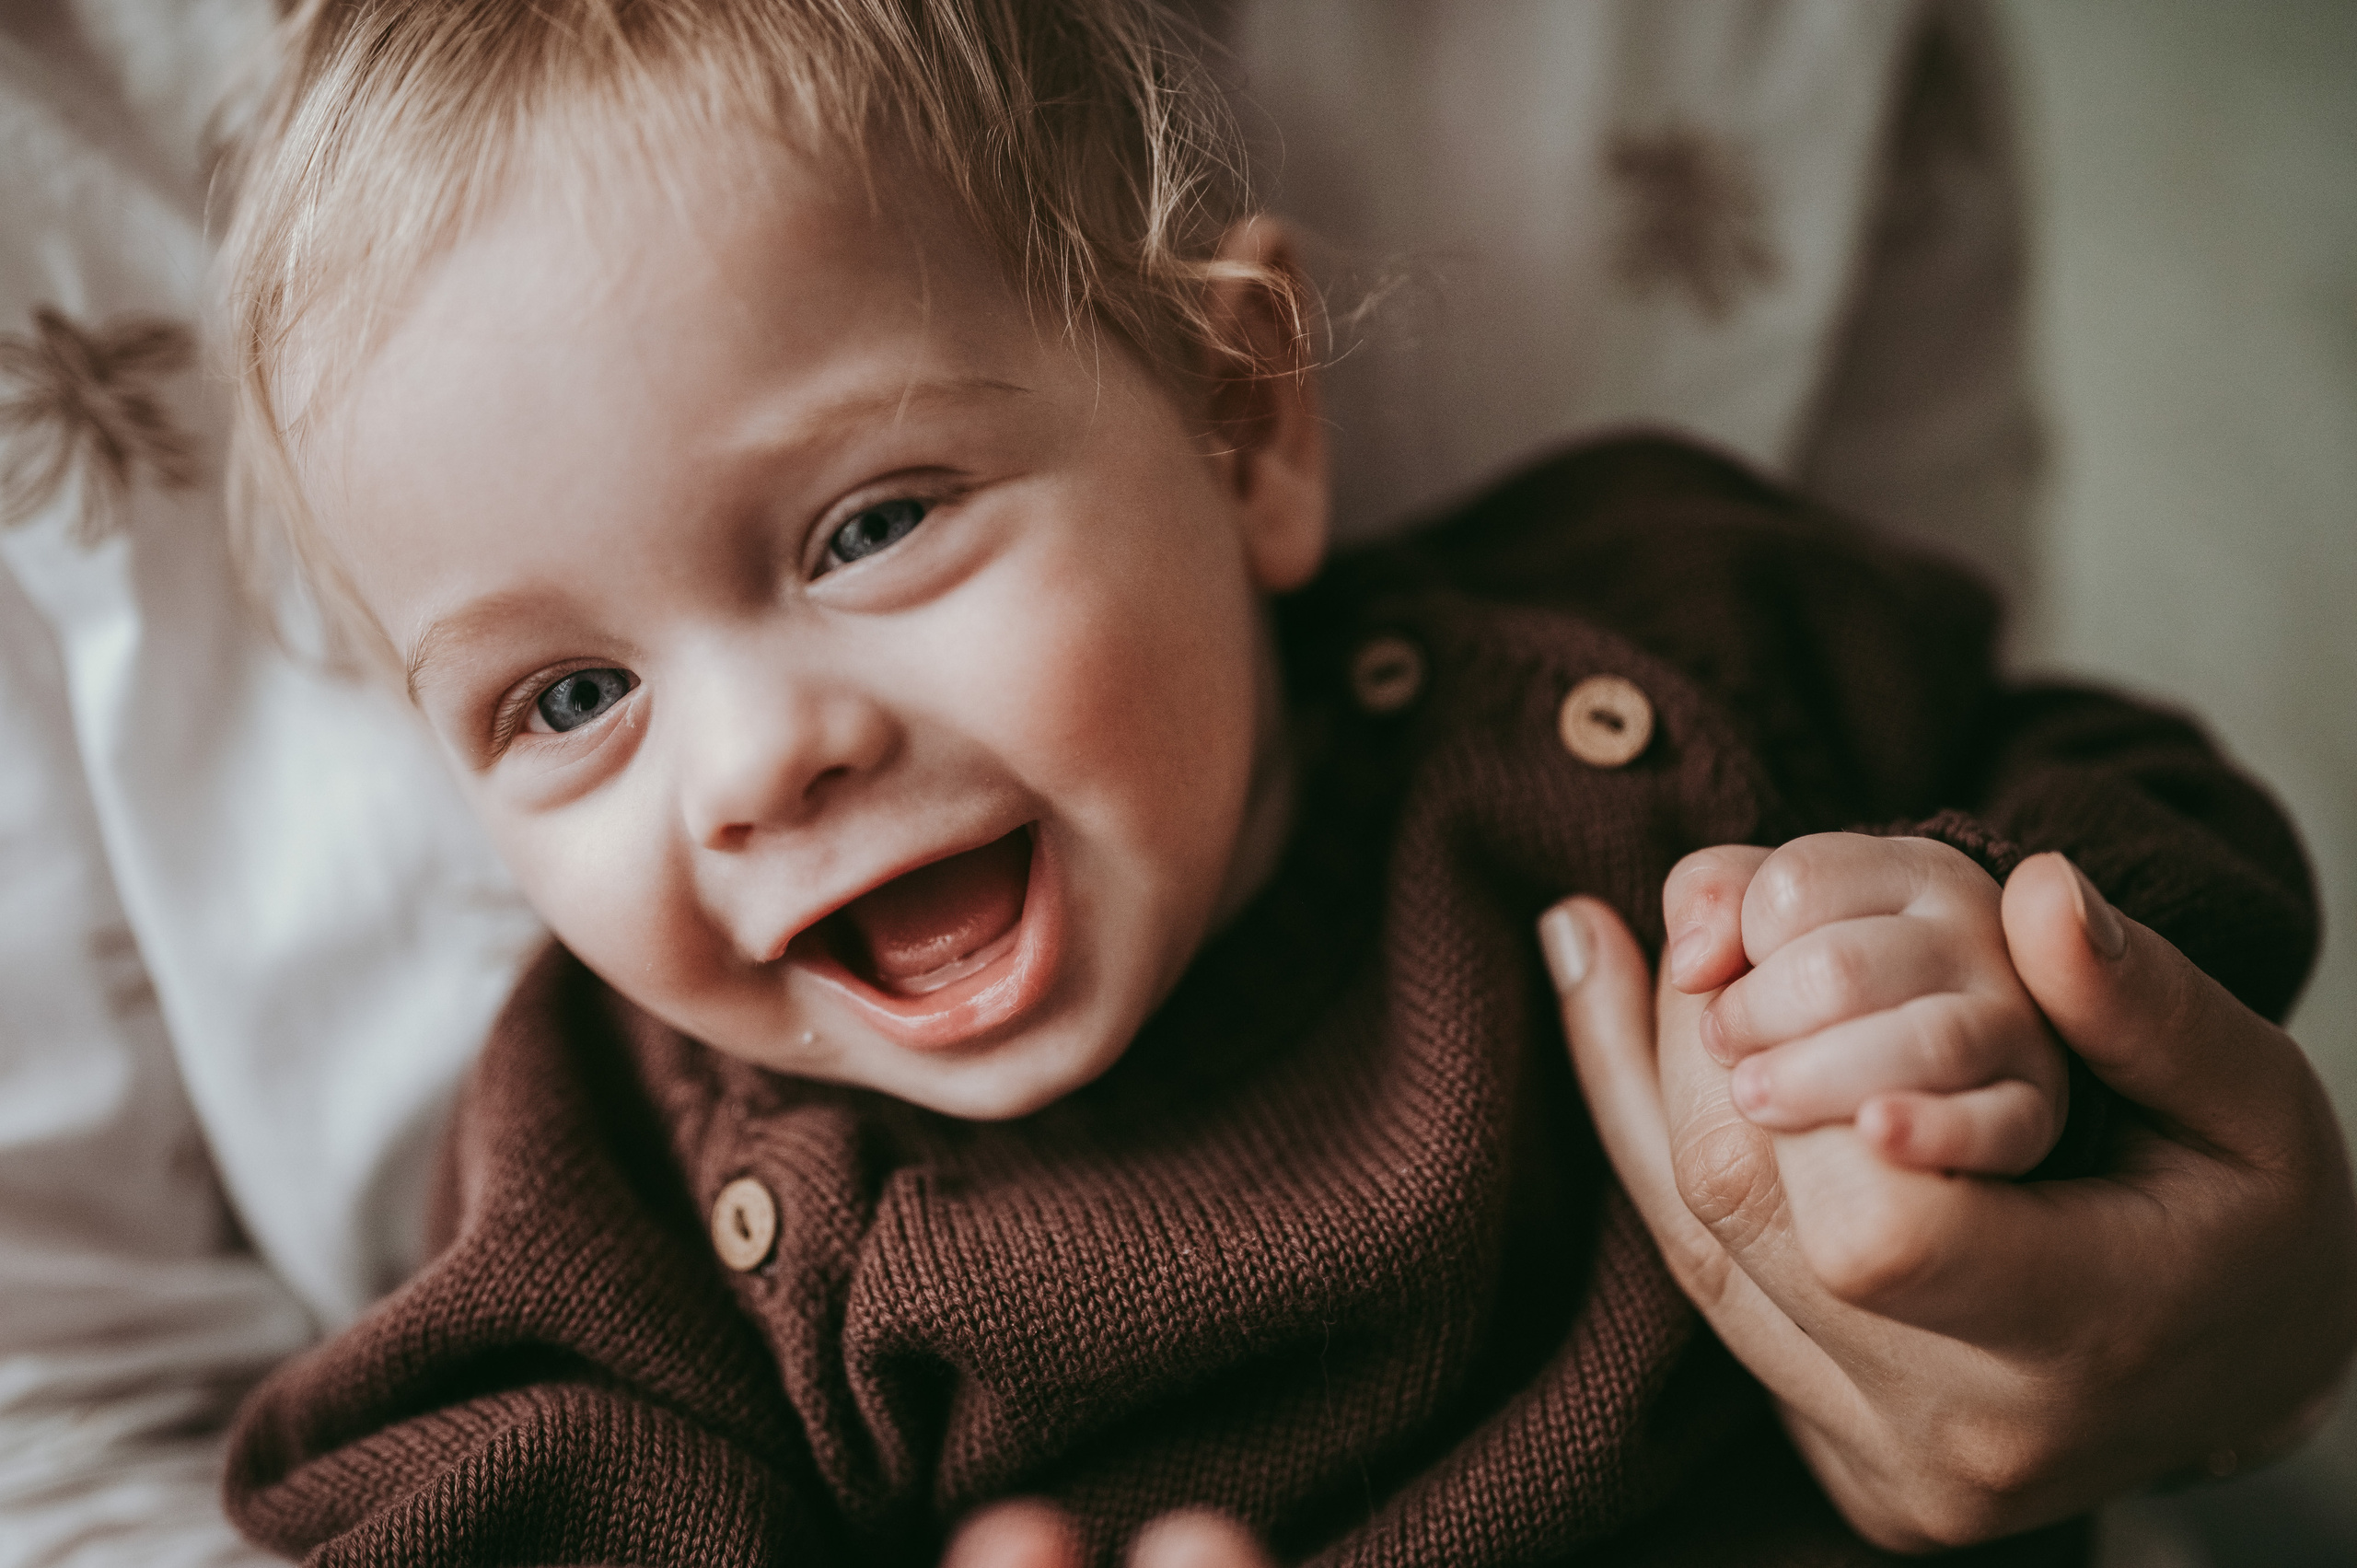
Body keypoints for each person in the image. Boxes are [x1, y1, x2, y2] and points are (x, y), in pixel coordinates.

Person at [194, 2, 2348, 1564]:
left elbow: (2132, 804)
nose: (761, 761)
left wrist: (1968, 937)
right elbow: (451, 1496)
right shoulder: (634, 1166)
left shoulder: (1639, 664)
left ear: (1243, 422)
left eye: (871, 530)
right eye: (564, 701)